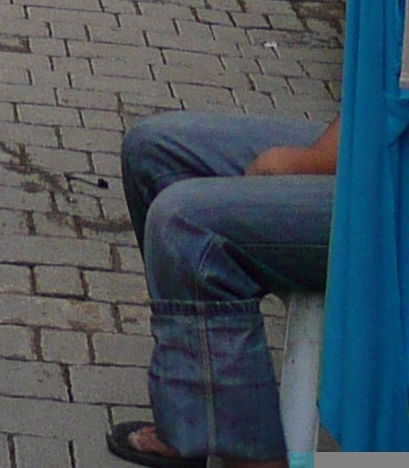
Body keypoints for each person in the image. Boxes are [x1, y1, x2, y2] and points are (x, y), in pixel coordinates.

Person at [106, 108, 337, 466]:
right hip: (369, 142)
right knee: (152, 150)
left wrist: (301, 162)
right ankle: (195, 425)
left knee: (184, 223)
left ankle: (250, 459)